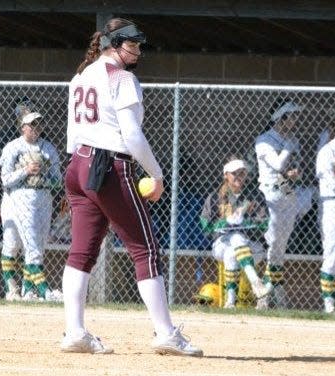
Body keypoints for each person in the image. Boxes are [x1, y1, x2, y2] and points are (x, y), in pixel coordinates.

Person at [62, 17, 202, 356]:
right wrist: (156, 174)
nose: (137, 49)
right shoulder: (122, 77)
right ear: (113, 45)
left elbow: (73, 134)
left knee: (81, 252)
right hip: (109, 165)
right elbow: (132, 136)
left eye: (139, 43)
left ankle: (75, 331)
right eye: (131, 44)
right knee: (146, 250)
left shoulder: (81, 74)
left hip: (78, 164)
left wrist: (80, 171)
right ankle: (166, 332)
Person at [0, 105, 63, 302]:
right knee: (14, 244)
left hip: (43, 197)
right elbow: (5, 179)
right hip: (18, 197)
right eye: (31, 124)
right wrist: (26, 171)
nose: (35, 127)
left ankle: (28, 291)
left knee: (38, 244)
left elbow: (58, 180)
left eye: (38, 123)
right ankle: (31, 289)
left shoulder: (48, 148)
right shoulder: (12, 147)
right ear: (22, 128)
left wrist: (43, 174)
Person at [255, 98, 312, 309]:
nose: (295, 119)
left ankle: (274, 296)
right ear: (281, 117)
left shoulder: (292, 140)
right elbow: (278, 164)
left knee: (280, 249)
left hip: (289, 195)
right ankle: (266, 297)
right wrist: (287, 147)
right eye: (292, 115)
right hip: (271, 198)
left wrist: (296, 173)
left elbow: (292, 169)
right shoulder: (264, 140)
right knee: (273, 246)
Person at [200, 157, 272, 308]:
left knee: (233, 248)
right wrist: (225, 223)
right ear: (226, 175)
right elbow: (205, 226)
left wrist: (245, 223)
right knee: (235, 239)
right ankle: (256, 282)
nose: (239, 177)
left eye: (242, 173)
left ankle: (230, 302)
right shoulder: (215, 197)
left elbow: (265, 223)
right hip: (221, 243)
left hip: (252, 245)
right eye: (234, 173)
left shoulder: (255, 196)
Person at [316, 110, 335, 314]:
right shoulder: (327, 151)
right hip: (331, 204)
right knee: (331, 251)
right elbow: (331, 179)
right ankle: (329, 304)